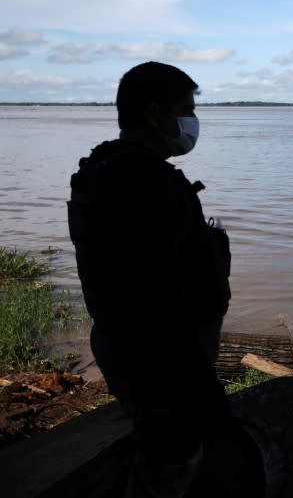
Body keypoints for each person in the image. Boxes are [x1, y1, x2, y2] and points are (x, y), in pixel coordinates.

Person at [68, 61, 261, 497]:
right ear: (155, 114)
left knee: (169, 446)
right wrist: (193, 377)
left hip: (132, 344)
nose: (192, 122)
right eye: (185, 110)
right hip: (160, 352)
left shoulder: (107, 168)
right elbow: (160, 291)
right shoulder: (143, 183)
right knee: (175, 457)